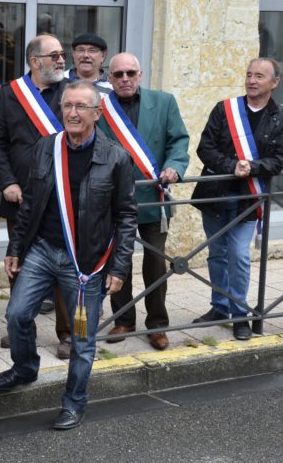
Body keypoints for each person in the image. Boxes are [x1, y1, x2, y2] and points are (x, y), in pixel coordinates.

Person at [0, 81, 137, 431]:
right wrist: (15, 248)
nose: (72, 113)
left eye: (81, 107)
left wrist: (119, 266)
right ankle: (25, 367)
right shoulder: (47, 147)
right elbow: (29, 201)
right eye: (68, 106)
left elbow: (126, 216)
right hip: (42, 249)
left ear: (97, 114)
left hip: (85, 264)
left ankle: (73, 403)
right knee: (17, 314)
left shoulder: (115, 156)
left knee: (82, 339)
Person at [191, 58, 283, 340]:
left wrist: (253, 167)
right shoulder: (225, 110)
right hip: (216, 195)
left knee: (238, 255)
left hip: (249, 198)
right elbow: (205, 148)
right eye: (249, 75)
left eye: (259, 76)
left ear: (274, 82)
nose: (251, 80)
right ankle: (219, 306)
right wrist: (231, 166)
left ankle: (239, 314)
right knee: (217, 255)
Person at [97, 52, 189, 351]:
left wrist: (175, 165)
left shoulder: (164, 102)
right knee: (117, 262)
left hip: (153, 197)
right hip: (113, 200)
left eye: (131, 73)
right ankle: (123, 319)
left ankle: (158, 325)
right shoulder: (100, 106)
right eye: (118, 74)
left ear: (140, 74)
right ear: (109, 78)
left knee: (155, 264)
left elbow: (179, 140)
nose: (125, 79)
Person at [0, 34, 72, 359]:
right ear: (34, 61)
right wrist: (6, 182)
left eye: (62, 54)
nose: (62, 60)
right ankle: (21, 330)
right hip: (20, 198)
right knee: (17, 265)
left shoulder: (72, 92)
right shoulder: (10, 95)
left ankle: (66, 334)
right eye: (54, 55)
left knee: (63, 268)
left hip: (62, 198)